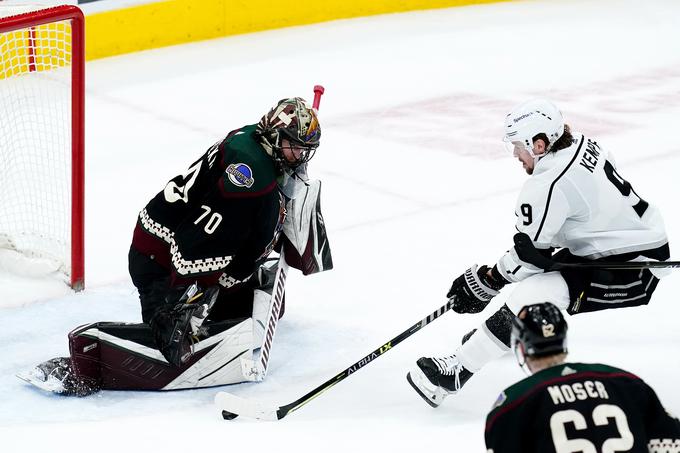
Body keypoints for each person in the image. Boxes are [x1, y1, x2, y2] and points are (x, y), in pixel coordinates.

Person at [19, 96, 333, 396]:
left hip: (177, 243)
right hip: (159, 258)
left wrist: (230, 277)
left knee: (241, 308)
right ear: (275, 137)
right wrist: (195, 292)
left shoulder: (256, 144)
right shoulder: (249, 174)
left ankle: (195, 306)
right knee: (174, 339)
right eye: (296, 148)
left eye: (307, 151)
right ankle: (90, 360)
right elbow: (199, 239)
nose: (301, 157)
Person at [407, 99, 670, 408]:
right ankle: (497, 338)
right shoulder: (582, 144)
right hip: (634, 242)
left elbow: (526, 260)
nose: (517, 155)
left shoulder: (547, 183)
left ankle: (456, 372)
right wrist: (497, 277)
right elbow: (543, 246)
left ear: (540, 144)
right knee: (539, 274)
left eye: (519, 146)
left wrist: (488, 281)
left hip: (634, 268)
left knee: (533, 293)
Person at [485, 302, 680, 453]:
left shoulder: (513, 404)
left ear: (521, 347)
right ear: (563, 340)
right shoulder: (626, 383)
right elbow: (670, 442)